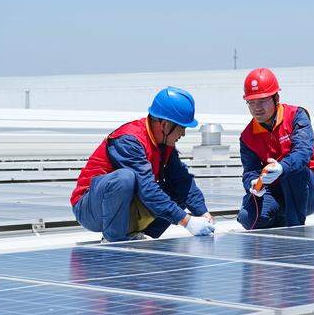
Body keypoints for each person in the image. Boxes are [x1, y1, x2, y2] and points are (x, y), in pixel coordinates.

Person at [71, 87, 215, 242]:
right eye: (182, 127)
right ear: (165, 125)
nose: (183, 134)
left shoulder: (165, 144)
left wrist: (203, 213)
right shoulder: (129, 140)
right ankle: (115, 240)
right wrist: (187, 221)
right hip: (90, 208)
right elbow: (147, 189)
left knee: (178, 188)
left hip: (122, 208)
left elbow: (182, 180)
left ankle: (141, 236)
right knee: (125, 178)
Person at [237, 68, 314, 229]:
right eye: (251, 102)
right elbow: (249, 171)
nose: (256, 108)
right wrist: (251, 183)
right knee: (248, 216)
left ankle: (295, 229)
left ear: (276, 98)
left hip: (309, 190)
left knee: (292, 168)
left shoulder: (296, 116)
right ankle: (282, 218)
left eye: (262, 101)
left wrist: (282, 167)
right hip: (277, 191)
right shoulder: (247, 137)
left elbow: (303, 152)